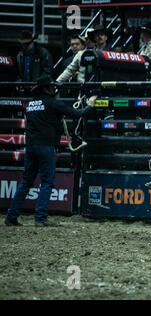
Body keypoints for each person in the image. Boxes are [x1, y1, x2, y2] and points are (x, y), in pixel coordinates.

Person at [4, 75, 96, 227]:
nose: (54, 88)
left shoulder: (31, 104)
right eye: (52, 87)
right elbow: (77, 114)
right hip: (45, 146)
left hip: (31, 146)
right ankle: (40, 217)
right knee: (47, 182)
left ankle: (11, 216)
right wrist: (90, 105)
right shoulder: (53, 103)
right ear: (46, 89)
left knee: (27, 181)